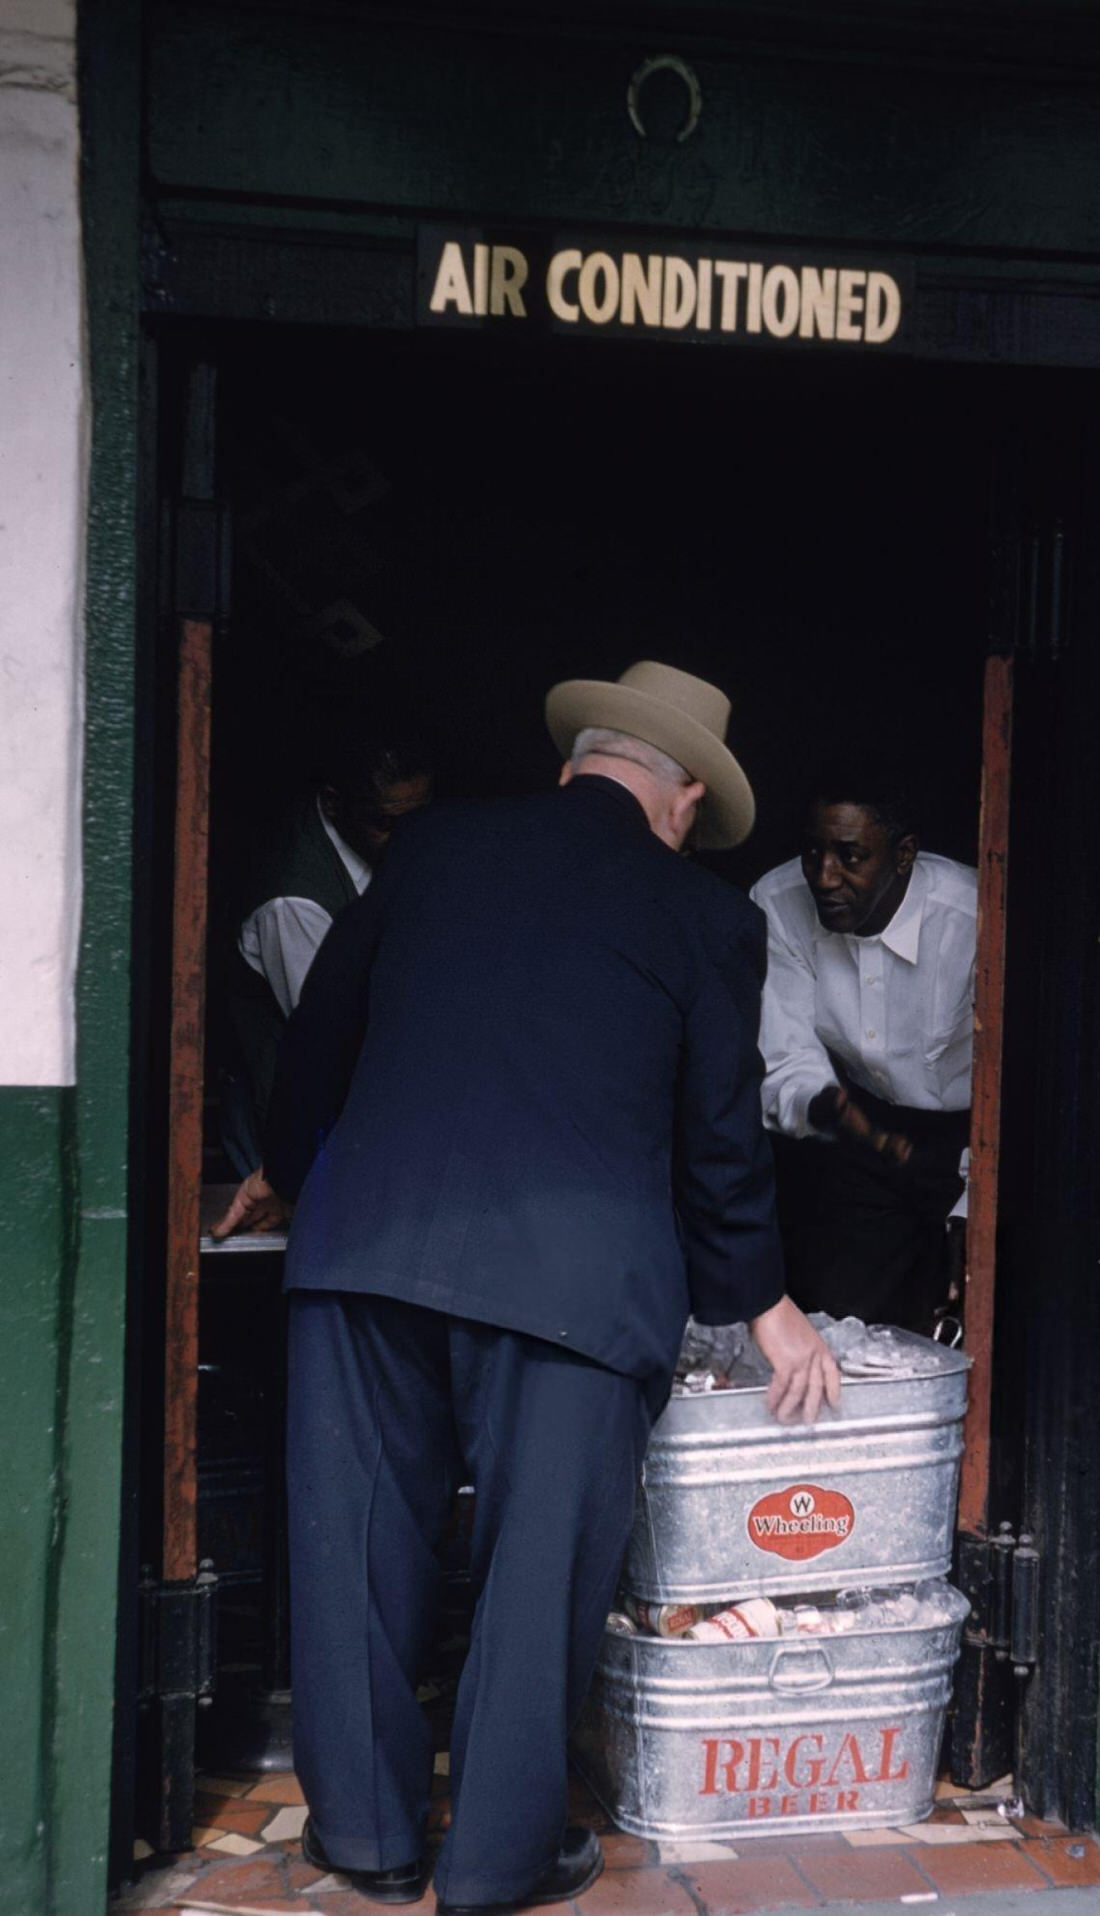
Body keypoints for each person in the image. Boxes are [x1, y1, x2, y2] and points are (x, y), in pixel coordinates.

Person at [213, 660, 839, 1909]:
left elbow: (319, 1034)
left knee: (356, 1547)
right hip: (572, 1275)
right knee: (537, 1557)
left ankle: (371, 1838)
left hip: (368, 1248)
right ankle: (500, 1857)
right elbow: (720, 1131)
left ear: (572, 767)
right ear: (682, 798)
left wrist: (286, 1173)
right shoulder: (706, 917)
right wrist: (762, 1298)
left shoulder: (433, 848)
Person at [750, 772, 977, 1333]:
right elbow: (788, 1054)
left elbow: (1014, 1083)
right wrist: (829, 1111)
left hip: (975, 1141)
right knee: (843, 1326)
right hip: (855, 1131)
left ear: (904, 855)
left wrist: (972, 1206)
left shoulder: (974, 917)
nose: (824, 877)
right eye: (813, 851)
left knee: (969, 1318)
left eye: (850, 856)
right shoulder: (777, 904)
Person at [222, 729, 434, 1175]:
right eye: (385, 823)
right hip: (294, 1127)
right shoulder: (293, 902)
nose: (406, 837)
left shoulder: (384, 840)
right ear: (335, 804)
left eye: (418, 818)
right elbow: (336, 1040)